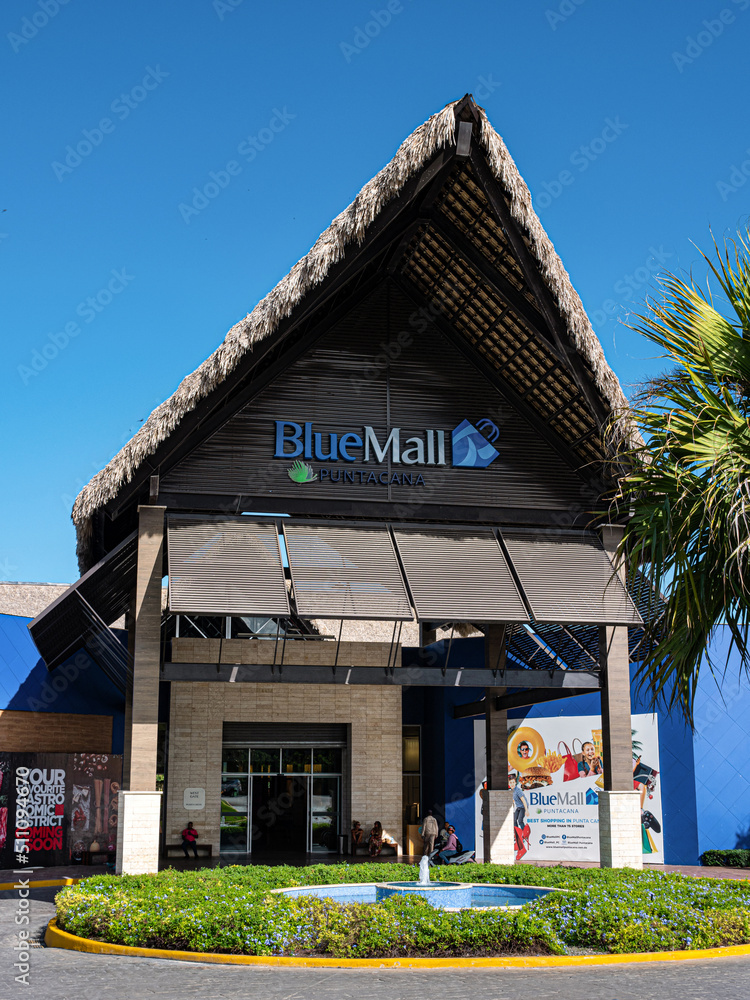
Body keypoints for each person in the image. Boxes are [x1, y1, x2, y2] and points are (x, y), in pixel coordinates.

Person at [509, 773, 530, 860]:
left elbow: (523, 801)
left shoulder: (518, 791)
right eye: (510, 783)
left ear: (515, 783)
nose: (512, 784)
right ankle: (517, 834)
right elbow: (513, 801)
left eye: (513, 782)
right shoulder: (512, 791)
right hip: (518, 807)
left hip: (523, 807)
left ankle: (524, 833)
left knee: (520, 820)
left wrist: (526, 810)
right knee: (514, 820)